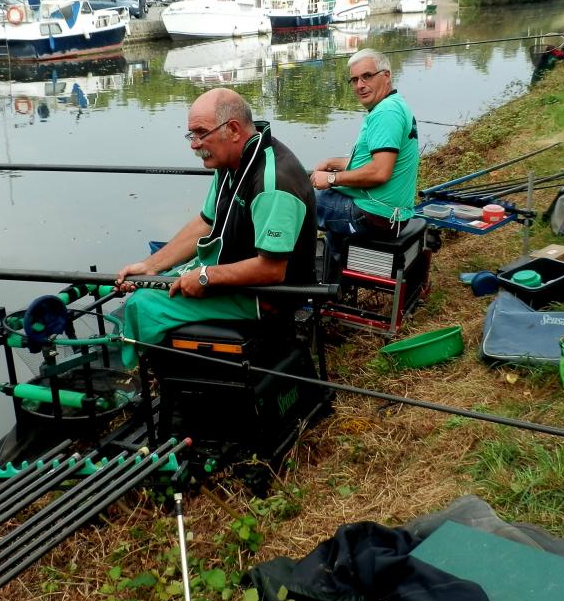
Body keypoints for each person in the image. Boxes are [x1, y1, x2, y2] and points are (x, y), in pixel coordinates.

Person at [115, 89, 317, 369]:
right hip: (233, 274)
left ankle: (147, 373)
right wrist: (151, 266)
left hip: (267, 298)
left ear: (233, 129)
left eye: (201, 133)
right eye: (191, 135)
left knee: (143, 304)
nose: (194, 145)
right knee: (151, 282)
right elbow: (204, 223)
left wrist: (207, 275)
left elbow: (273, 269)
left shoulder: (273, 182)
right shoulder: (230, 161)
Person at [310, 48, 419, 273]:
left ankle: (285, 274)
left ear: (386, 75)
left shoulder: (385, 113)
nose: (359, 85)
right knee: (322, 207)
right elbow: (375, 159)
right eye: (354, 79)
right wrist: (334, 162)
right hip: (390, 213)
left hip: (374, 215)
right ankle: (334, 276)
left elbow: (380, 172)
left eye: (367, 76)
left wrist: (331, 178)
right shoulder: (394, 105)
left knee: (296, 198)